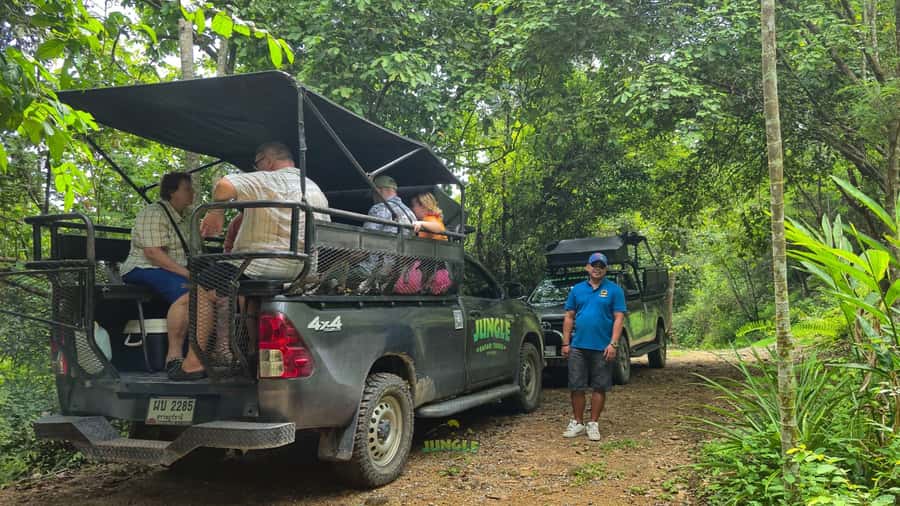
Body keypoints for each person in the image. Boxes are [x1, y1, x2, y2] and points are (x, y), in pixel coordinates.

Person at [168, 141, 329, 380]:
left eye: (256, 164)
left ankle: (193, 363)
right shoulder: (314, 188)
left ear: (268, 161)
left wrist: (216, 212)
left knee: (202, 286)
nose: (255, 168)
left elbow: (223, 186)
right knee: (241, 292)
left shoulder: (269, 178)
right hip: (302, 269)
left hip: (261, 264)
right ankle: (251, 354)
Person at [120, 171, 195, 371]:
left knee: (215, 290)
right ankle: (174, 357)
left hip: (172, 270)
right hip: (144, 267)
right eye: (187, 189)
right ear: (172, 192)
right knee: (189, 294)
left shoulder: (188, 216)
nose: (192, 193)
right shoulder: (154, 213)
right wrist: (188, 275)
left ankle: (209, 352)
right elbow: (153, 254)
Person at [561, 252, 626, 441]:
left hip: (602, 346)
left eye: (601, 266)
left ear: (605, 269)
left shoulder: (614, 290)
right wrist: (565, 342)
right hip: (578, 346)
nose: (597, 269)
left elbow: (619, 318)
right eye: (594, 265)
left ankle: (593, 424)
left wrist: (613, 343)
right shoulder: (577, 290)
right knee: (576, 385)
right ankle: (578, 422)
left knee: (599, 386)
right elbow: (569, 316)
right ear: (587, 267)